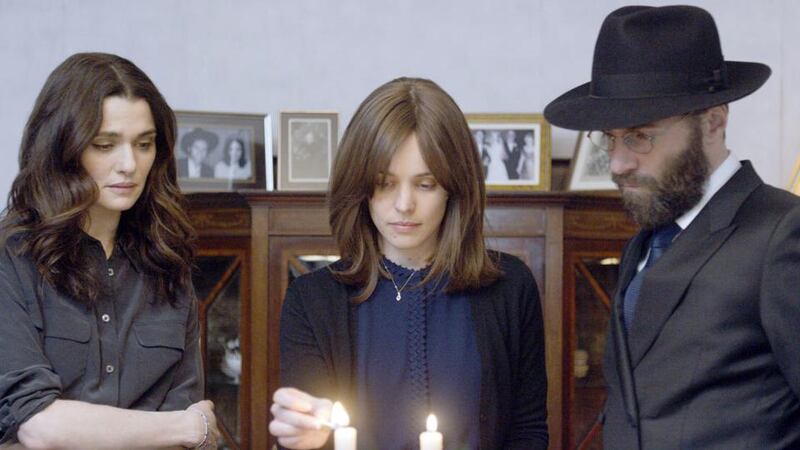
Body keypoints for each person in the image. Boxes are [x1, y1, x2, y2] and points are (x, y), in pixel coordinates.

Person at [544, 5, 800, 448]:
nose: (619, 163)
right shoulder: (642, 246)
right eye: (610, 138)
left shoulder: (783, 234)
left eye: (640, 136)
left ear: (713, 121)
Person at [269, 77, 548, 449]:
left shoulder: (510, 286)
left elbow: (527, 431)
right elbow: (305, 433)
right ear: (360, 186)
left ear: (455, 188)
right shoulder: (312, 300)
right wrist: (301, 437)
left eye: (425, 184)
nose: (403, 205)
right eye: (384, 183)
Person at [0, 52, 220, 449]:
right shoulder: (10, 259)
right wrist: (186, 428)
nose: (129, 165)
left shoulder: (167, 261)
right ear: (62, 148)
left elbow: (186, 405)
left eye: (145, 144)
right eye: (105, 144)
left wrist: (186, 430)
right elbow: (37, 426)